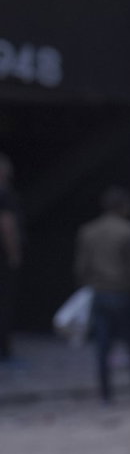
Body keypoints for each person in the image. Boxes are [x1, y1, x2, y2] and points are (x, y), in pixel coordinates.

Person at [76, 187, 130, 403]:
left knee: (102, 347)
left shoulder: (88, 231)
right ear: (123, 206)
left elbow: (81, 268)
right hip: (125, 294)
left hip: (100, 293)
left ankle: (105, 394)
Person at [0, 153, 23, 363]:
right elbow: (7, 225)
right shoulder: (5, 194)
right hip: (2, 260)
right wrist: (14, 254)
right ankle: (4, 351)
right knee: (4, 304)